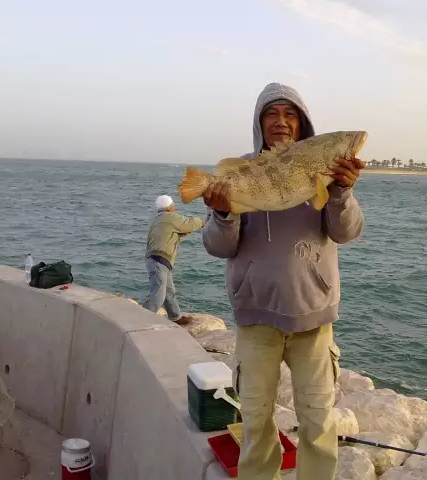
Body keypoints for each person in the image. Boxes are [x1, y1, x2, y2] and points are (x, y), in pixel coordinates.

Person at [202, 82, 365, 480]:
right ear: (260, 123)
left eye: (289, 114)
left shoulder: (324, 169)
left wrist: (341, 191)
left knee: (318, 421)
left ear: (302, 122)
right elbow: (217, 246)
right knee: (255, 421)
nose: (280, 122)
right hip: (256, 318)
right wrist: (224, 214)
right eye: (271, 114)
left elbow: (347, 232)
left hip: (313, 317)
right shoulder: (242, 171)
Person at [142, 194, 204, 325]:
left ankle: (174, 316)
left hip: (157, 259)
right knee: (159, 292)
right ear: (170, 207)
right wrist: (205, 221)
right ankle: (142, 320)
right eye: (173, 205)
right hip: (159, 259)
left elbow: (168, 236)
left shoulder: (157, 219)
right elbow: (190, 223)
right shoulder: (170, 217)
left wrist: (181, 233)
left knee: (169, 291)